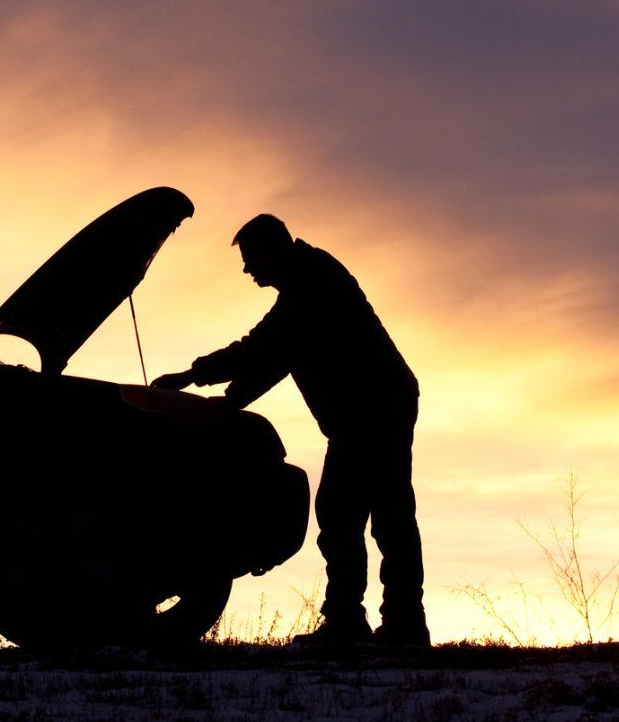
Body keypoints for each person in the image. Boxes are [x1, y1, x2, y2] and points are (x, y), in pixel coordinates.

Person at [153, 214, 427, 646]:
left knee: (353, 515)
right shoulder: (308, 281)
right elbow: (277, 354)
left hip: (371, 408)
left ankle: (365, 622)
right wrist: (225, 396)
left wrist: (194, 378)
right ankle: (392, 621)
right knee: (375, 515)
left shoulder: (312, 282)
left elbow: (267, 348)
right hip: (376, 407)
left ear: (272, 248)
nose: (247, 269)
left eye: (249, 258)